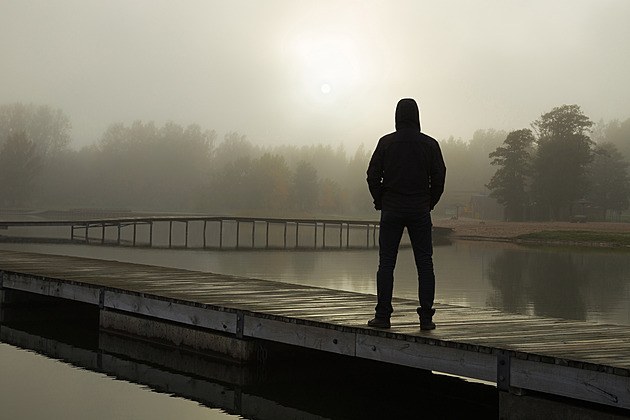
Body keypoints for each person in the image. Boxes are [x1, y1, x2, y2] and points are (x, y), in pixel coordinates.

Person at [366, 98, 446, 330]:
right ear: (417, 116)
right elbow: (439, 177)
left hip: (392, 209)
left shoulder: (386, 143)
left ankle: (382, 317)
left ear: (397, 116)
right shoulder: (430, 144)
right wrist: (429, 202)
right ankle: (426, 319)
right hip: (419, 210)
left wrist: (380, 200)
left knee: (386, 263)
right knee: (424, 263)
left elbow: (372, 175)